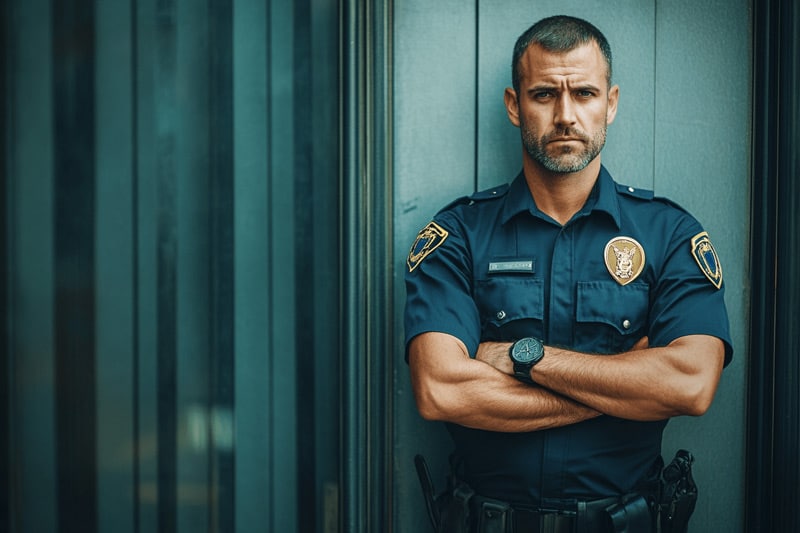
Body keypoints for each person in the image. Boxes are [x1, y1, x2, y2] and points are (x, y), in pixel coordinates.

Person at [404, 15, 732, 533]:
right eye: (543, 95)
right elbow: (441, 389)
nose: (565, 116)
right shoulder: (459, 235)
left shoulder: (668, 235)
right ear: (515, 106)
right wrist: (624, 383)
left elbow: (689, 384)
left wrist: (520, 358)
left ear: (611, 103)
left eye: (583, 93)